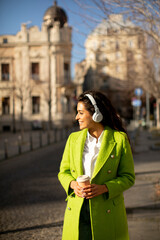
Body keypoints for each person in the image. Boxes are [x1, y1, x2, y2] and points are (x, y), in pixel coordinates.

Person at [58, 90, 135, 240]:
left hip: (107, 210)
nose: (76, 117)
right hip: (78, 210)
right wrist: (73, 184)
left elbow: (128, 177)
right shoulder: (73, 139)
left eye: (80, 112)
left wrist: (105, 188)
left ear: (96, 113)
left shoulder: (119, 139)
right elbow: (63, 172)